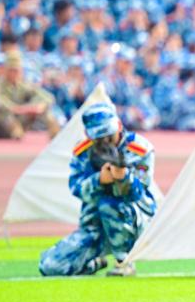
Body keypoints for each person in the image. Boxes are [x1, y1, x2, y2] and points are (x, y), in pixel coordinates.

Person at [38, 102, 157, 277]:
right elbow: (76, 188)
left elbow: (139, 193)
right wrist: (99, 180)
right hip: (96, 224)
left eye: (109, 135)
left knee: (109, 204)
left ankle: (124, 261)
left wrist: (124, 178)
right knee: (50, 266)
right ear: (88, 135)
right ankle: (96, 263)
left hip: (134, 222)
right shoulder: (83, 151)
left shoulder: (139, 149)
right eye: (99, 138)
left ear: (118, 125)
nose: (105, 142)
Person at [0, 49, 60, 140]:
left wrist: (37, 107)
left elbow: (48, 97)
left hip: (20, 123)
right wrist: (13, 108)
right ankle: (15, 130)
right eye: (11, 70)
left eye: (17, 70)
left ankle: (55, 132)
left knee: (42, 108)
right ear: (5, 70)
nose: (14, 73)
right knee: (2, 111)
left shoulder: (24, 85)